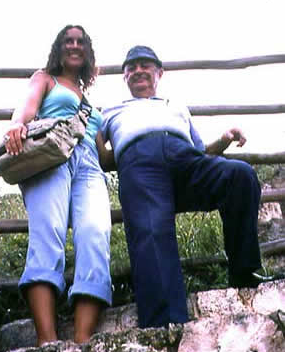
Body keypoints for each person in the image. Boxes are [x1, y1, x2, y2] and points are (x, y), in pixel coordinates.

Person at [101, 45, 264, 329]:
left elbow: (200, 152)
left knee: (240, 176)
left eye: (145, 65)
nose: (138, 70)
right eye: (132, 67)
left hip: (185, 161)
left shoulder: (175, 106)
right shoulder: (110, 111)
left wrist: (223, 141)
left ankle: (245, 275)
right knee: (151, 231)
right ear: (124, 76)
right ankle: (166, 323)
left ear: (159, 72)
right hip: (140, 167)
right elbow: (102, 157)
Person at [3, 25, 112, 346]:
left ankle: (81, 342)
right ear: (59, 49)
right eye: (68, 41)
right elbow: (25, 109)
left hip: (90, 166)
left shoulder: (90, 105)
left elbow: (104, 154)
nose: (74, 45)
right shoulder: (45, 79)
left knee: (95, 235)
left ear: (88, 52)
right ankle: (47, 341)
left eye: (80, 42)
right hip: (52, 157)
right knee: (47, 232)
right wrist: (16, 126)